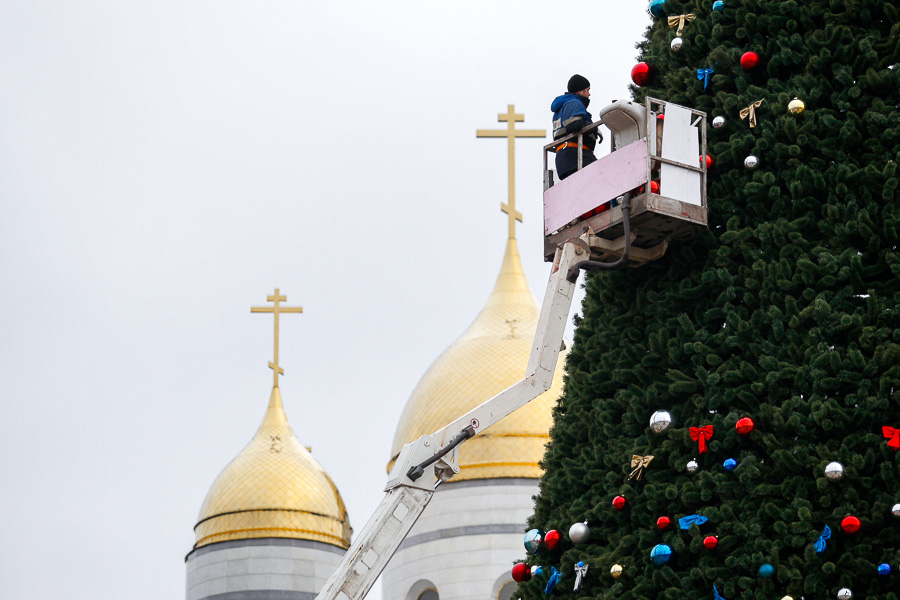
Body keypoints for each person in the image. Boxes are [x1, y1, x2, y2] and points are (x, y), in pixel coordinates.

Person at [551, 74, 602, 180]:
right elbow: (573, 124)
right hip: (577, 154)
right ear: (580, 91)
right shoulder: (574, 103)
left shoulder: (560, 108)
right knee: (603, 180)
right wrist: (593, 128)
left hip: (563, 159)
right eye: (587, 90)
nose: (589, 94)